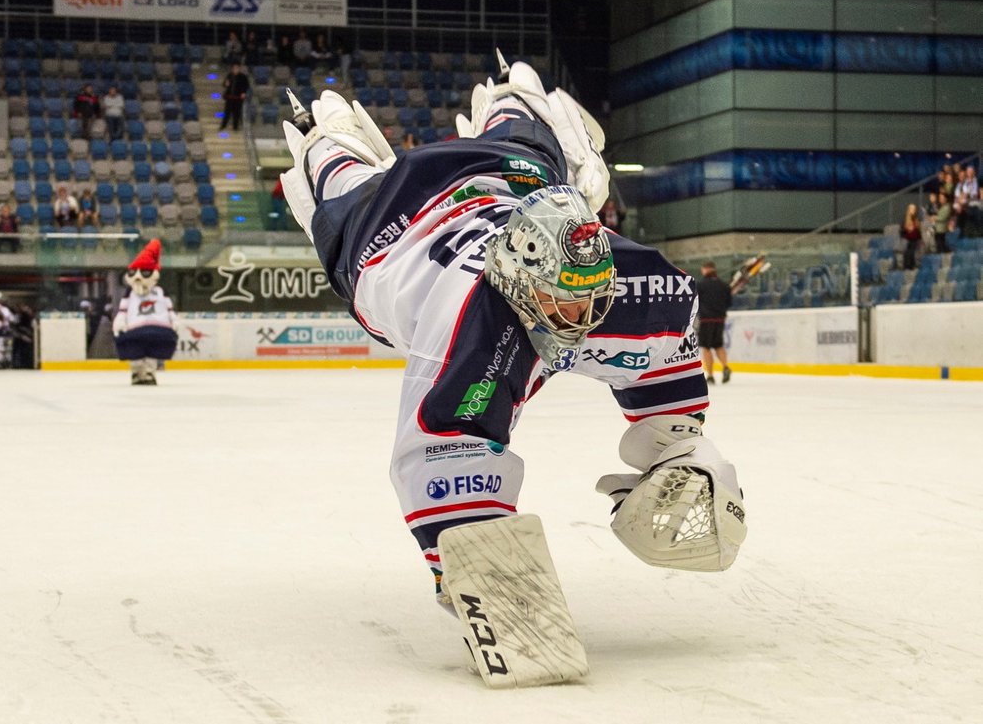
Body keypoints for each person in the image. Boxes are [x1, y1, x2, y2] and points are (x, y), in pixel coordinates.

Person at [280, 60, 747, 679]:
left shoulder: (632, 278)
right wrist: (466, 551)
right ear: (515, 283)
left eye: (588, 295)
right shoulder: (469, 327)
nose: (577, 314)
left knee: (532, 155)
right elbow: (442, 447)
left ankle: (512, 95)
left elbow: (669, 333)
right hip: (387, 231)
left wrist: (677, 439)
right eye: (561, 300)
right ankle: (324, 133)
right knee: (342, 188)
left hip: (500, 181)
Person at [113, 239, 178, 386]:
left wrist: (173, 319)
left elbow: (169, 308)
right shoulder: (130, 292)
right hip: (135, 328)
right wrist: (120, 321)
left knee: (152, 351)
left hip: (157, 327)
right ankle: (137, 371)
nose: (138, 276)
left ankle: (149, 371)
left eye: (145, 272)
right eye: (133, 272)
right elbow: (123, 309)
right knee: (135, 350)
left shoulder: (160, 291)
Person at [696, 261, 733, 385]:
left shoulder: (700, 286)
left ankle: (710, 375)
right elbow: (729, 303)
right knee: (718, 345)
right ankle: (725, 366)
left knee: (706, 347)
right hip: (720, 319)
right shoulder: (724, 285)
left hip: (706, 320)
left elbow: (695, 302)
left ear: (705, 269)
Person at [220, 63, 249, 133]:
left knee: (236, 113)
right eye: (234, 68)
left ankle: (235, 127)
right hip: (229, 97)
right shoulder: (230, 75)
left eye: (237, 68)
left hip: (238, 98)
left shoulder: (243, 77)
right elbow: (224, 84)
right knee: (227, 113)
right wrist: (225, 84)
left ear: (239, 69)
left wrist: (243, 93)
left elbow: (246, 86)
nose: (235, 70)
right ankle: (223, 126)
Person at [900, 203, 921, 271]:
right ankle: (906, 267)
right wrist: (907, 229)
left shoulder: (916, 219)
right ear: (909, 210)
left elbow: (918, 232)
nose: (913, 210)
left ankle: (911, 267)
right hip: (907, 239)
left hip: (915, 240)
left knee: (912, 251)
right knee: (907, 252)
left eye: (914, 209)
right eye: (912, 209)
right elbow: (902, 231)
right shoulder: (905, 219)